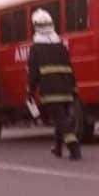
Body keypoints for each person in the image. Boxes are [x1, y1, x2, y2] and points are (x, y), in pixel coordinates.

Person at [28, 9, 82, 160]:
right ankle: (58, 148)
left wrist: (30, 91)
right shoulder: (61, 46)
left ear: (36, 26)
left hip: (50, 91)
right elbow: (70, 68)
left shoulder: (35, 48)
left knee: (60, 120)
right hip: (65, 89)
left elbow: (33, 73)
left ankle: (74, 148)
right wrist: (74, 87)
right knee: (62, 117)